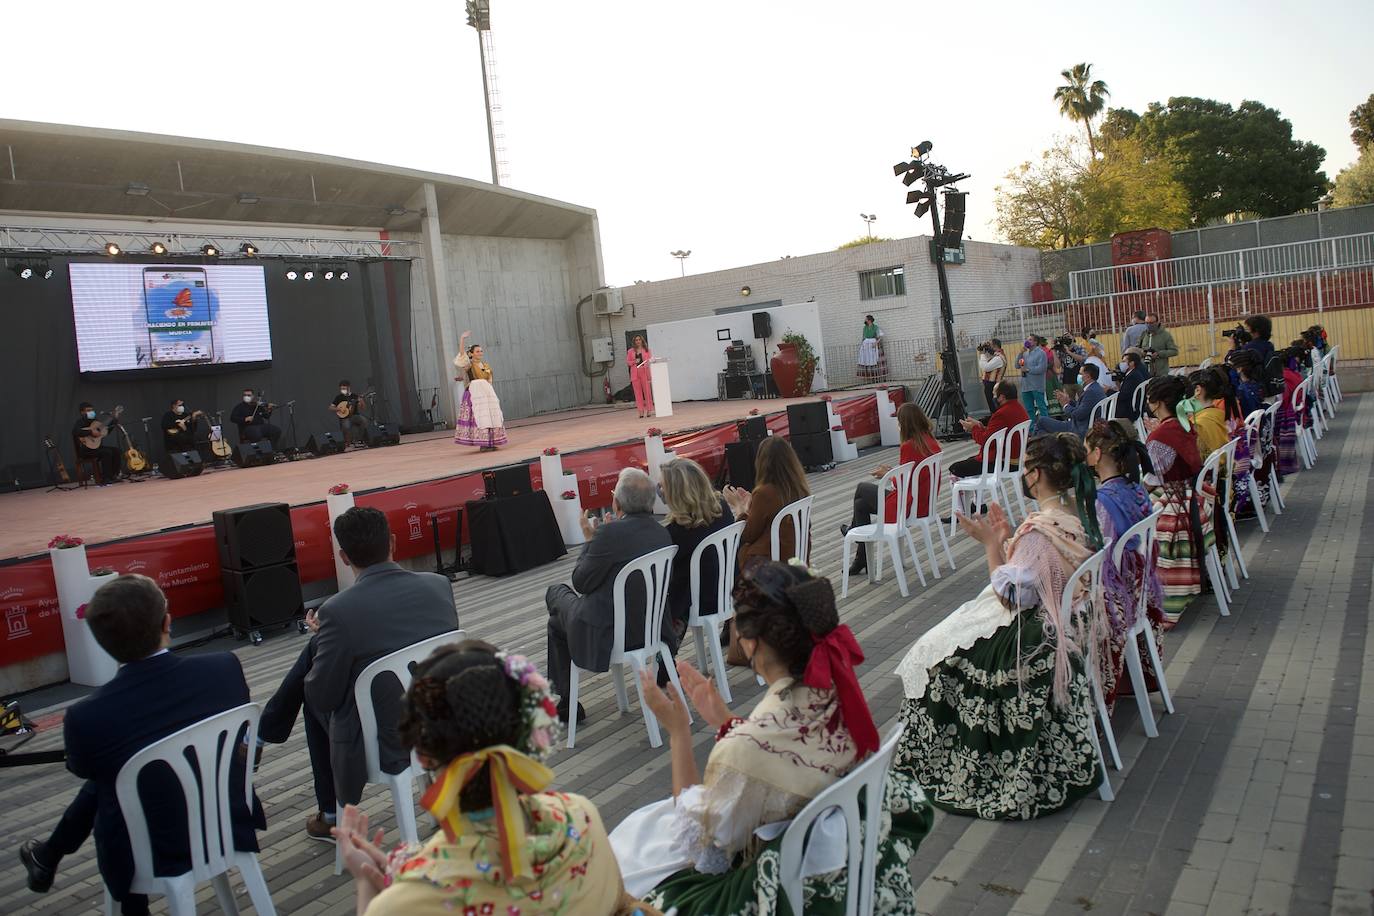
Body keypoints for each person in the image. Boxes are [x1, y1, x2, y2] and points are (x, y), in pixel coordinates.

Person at [611, 562, 932, 913]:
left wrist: (679, 735)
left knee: (636, 850)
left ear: (750, 645)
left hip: (777, 885)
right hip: (839, 859)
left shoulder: (745, 747)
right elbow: (781, 751)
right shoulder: (835, 691)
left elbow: (702, 849)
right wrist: (724, 720)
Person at [335, 640, 654, 916]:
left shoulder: (407, 904)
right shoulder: (581, 818)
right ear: (531, 727)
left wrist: (367, 884)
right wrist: (401, 872)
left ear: (424, 753)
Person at [17, 575, 265, 916]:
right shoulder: (223, 668)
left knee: (108, 783)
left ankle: (53, 857)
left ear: (102, 643)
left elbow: (83, 769)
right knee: (115, 775)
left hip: (147, 851)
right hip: (226, 821)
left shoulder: (86, 716)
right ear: (167, 621)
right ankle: (48, 854)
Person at [893, 433, 1107, 820]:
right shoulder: (1081, 511)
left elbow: (1011, 596)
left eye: (1026, 467)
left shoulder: (1041, 532)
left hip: (1038, 640)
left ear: (1036, 474)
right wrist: (1008, 540)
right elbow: (1037, 576)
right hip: (1072, 625)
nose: (1023, 474)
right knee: (951, 634)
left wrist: (991, 544)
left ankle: (953, 763)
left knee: (941, 658)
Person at [256, 507, 459, 840]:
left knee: (312, 696)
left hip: (385, 742)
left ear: (344, 557)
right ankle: (265, 736)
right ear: (393, 542)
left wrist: (325, 639)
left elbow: (324, 695)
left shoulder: (338, 610)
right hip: (440, 720)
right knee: (318, 658)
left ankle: (330, 812)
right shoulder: (439, 586)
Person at [545, 468, 675, 724]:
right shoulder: (661, 532)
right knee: (557, 622)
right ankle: (566, 701)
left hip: (611, 633)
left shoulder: (608, 535)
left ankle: (567, 702)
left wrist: (590, 541)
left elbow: (581, 582)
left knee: (555, 595)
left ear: (617, 502)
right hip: (650, 628)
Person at [1086, 420, 1165, 711]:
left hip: (1117, 597)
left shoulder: (1103, 501)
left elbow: (1098, 560)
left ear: (1096, 454)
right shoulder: (1136, 488)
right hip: (1140, 587)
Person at [842, 402, 941, 576]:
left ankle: (852, 533)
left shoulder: (909, 446)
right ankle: (860, 560)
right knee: (860, 505)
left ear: (905, 424)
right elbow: (912, 474)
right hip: (923, 502)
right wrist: (892, 472)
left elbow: (901, 483)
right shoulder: (929, 440)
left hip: (909, 505)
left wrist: (886, 475)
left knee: (861, 488)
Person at [1142, 376, 1210, 627]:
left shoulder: (1160, 435)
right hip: (1192, 493)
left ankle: (1150, 600)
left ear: (1157, 402)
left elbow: (1153, 478)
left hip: (1174, 499)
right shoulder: (1183, 423)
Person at [661, 458, 735, 636]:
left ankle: (663, 659)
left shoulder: (678, 530)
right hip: (727, 587)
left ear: (676, 493)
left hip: (702, 599)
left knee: (659, 599)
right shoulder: (722, 508)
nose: (661, 492)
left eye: (663, 487)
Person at [723, 435, 811, 575]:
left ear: (762, 462)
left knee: (731, 552)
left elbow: (748, 535)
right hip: (796, 556)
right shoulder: (800, 488)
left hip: (771, 562)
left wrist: (738, 507)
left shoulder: (764, 493)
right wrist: (751, 504)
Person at [952, 380, 1028, 478]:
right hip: (1017, 460)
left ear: (1001, 397)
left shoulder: (1001, 414)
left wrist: (973, 428)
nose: (993, 398)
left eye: (994, 394)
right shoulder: (1020, 409)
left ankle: (964, 492)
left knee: (955, 469)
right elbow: (996, 433)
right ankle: (976, 492)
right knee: (970, 461)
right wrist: (980, 425)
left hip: (1003, 462)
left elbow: (986, 440)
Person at [453, 331, 508, 452]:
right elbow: (462, 355)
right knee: (480, 417)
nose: (480, 353)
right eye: (477, 351)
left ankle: (491, 441)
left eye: (481, 351)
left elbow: (489, 380)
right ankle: (483, 443)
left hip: (487, 392)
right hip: (475, 393)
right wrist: (462, 339)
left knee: (491, 416)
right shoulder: (469, 364)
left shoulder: (485, 365)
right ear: (471, 354)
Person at [1037, 363, 1106, 438]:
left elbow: (1078, 415)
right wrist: (1069, 400)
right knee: (1042, 431)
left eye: (1080, 374)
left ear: (1088, 376)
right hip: (1081, 424)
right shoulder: (1096, 388)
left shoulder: (1090, 392)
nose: (1078, 376)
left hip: (1079, 428)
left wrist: (1065, 405)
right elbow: (1083, 406)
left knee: (1041, 421)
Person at [72, 402, 121, 483]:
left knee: (116, 450)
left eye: (92, 410)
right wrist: (90, 432)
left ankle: (113, 475)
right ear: (82, 412)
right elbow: (75, 431)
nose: (91, 412)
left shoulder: (95, 421)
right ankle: (106, 478)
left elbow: (105, 432)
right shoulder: (80, 422)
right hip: (86, 451)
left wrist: (114, 420)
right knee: (107, 452)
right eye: (88, 410)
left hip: (96, 448)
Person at [1276, 343, 1306, 476]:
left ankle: (1277, 462)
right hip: (1299, 413)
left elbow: (1283, 399)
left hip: (1291, 415)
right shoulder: (1294, 374)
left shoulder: (1284, 377)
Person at [1015, 337, 1050, 425]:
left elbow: (1042, 368)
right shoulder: (1025, 354)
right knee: (1029, 409)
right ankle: (1031, 429)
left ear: (1035, 342)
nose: (1027, 341)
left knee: (1041, 407)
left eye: (1030, 339)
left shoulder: (1041, 353)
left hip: (1036, 386)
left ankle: (1046, 426)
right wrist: (1020, 353)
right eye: (1027, 339)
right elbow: (1017, 365)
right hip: (1025, 386)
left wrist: (1028, 370)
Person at [331, 380, 369, 448]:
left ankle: (358, 440)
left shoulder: (354, 396)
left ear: (348, 387)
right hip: (345, 417)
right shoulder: (339, 397)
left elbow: (363, 408)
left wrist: (361, 401)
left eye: (344, 388)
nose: (342, 390)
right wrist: (339, 409)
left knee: (364, 421)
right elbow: (331, 407)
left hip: (355, 415)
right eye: (341, 388)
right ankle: (348, 443)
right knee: (346, 426)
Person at [1114, 349, 1149, 421]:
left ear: (1132, 363)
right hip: (1135, 406)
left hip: (1130, 410)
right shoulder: (1133, 373)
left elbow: (1123, 396)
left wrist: (1108, 390)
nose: (1121, 364)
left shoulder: (1132, 376)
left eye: (1124, 362)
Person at [627, 334, 655, 419]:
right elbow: (628, 362)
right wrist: (634, 361)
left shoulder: (647, 350)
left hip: (644, 372)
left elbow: (650, 360)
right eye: (636, 340)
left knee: (647, 392)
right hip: (635, 373)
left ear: (642, 340)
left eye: (639, 339)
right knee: (638, 393)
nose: (638, 341)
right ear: (634, 342)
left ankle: (649, 410)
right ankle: (641, 411)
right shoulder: (630, 351)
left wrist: (649, 362)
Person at [978, 340, 1006, 412]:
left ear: (995, 346)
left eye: (989, 345)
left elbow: (986, 367)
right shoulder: (995, 355)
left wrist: (982, 354)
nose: (988, 347)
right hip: (990, 386)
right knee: (993, 408)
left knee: (995, 409)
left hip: (993, 387)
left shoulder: (999, 357)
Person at [857, 314, 886, 380]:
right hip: (866, 344)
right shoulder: (865, 327)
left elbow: (881, 336)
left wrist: (876, 343)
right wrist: (862, 345)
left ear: (869, 320)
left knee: (874, 359)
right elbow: (863, 337)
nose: (865, 320)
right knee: (866, 359)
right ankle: (869, 377)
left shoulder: (875, 327)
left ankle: (876, 377)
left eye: (866, 319)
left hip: (873, 343)